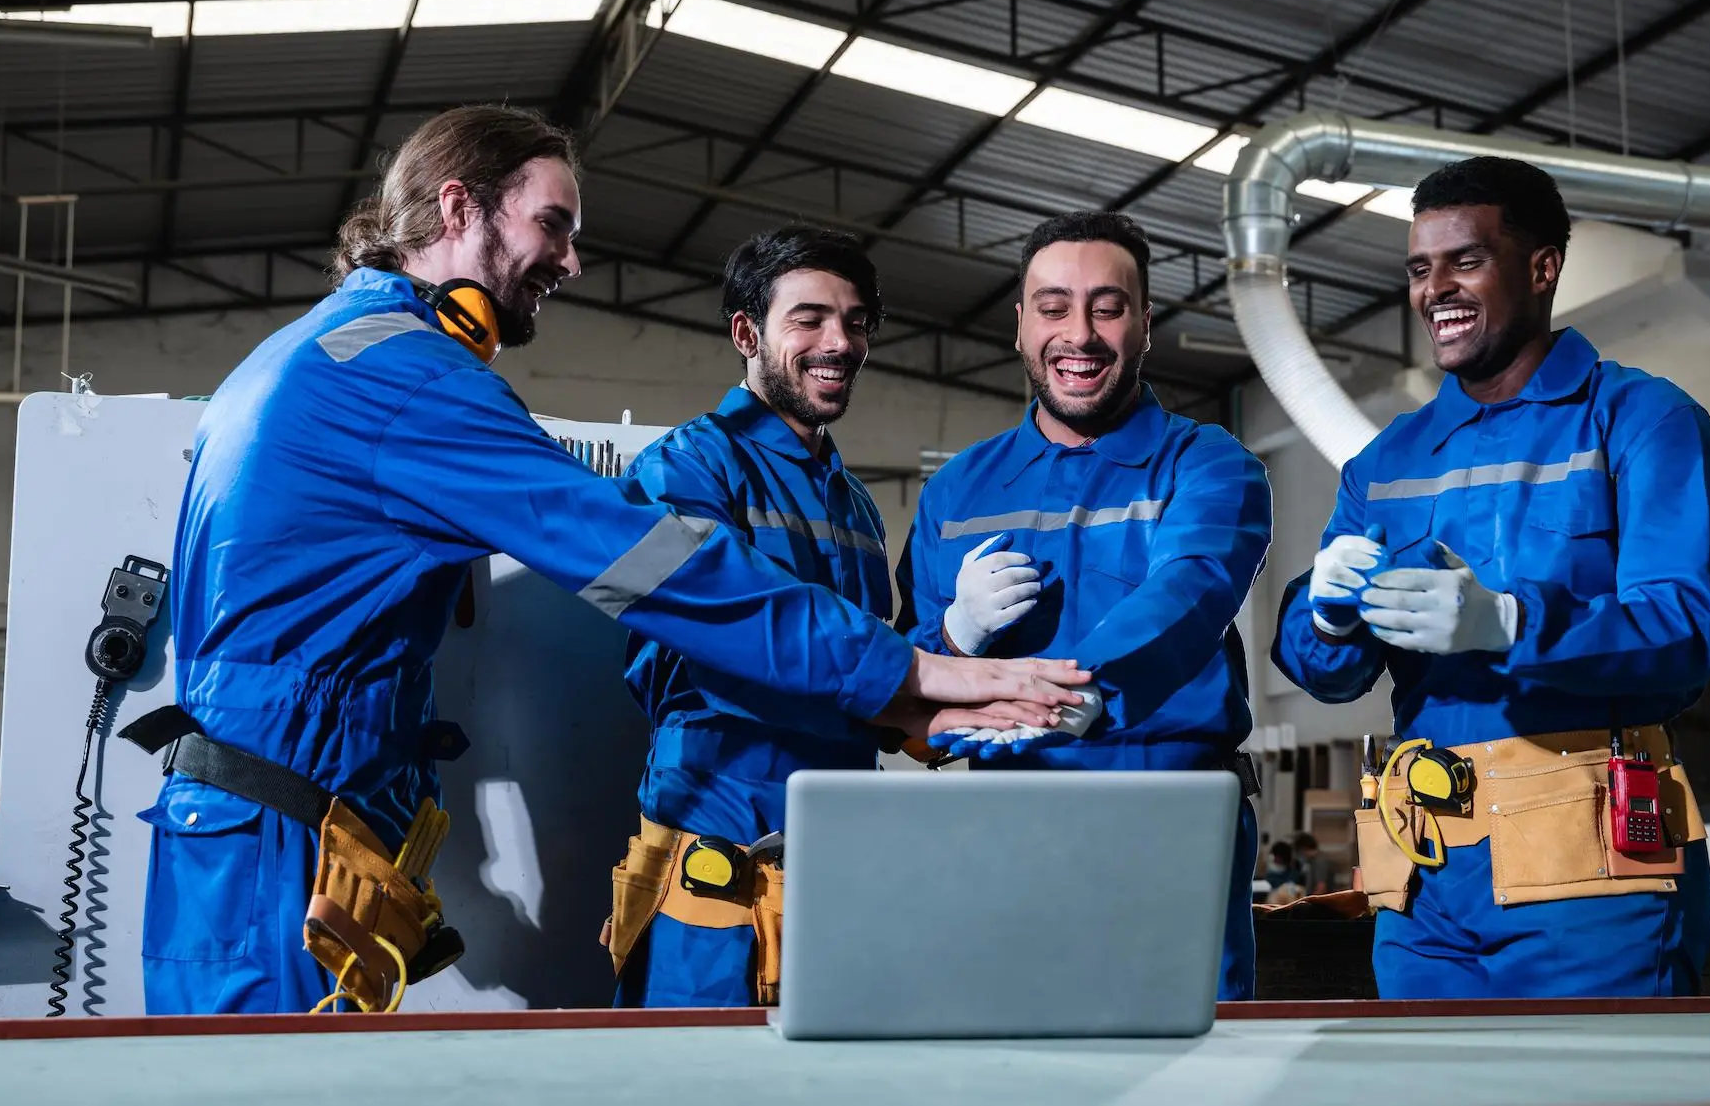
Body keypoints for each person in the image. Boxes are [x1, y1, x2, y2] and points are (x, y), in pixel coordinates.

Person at [130, 105, 1087, 1016]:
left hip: (268, 833)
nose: (573, 260)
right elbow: (654, 566)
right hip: (280, 841)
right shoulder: (408, 380)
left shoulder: (322, 349)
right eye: (552, 223)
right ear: (459, 205)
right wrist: (911, 666)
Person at [1270, 156, 1710, 1000]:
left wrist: (1513, 623)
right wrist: (1327, 617)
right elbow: (1327, 674)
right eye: (1420, 268)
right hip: (1424, 876)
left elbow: (1680, 634)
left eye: (1466, 260)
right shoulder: (1386, 462)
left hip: (1588, 869)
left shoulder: (1643, 422)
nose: (1436, 288)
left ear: (1542, 266)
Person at [897, 210, 1273, 1002]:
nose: (1080, 333)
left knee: (1189, 1069)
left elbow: (1193, 582)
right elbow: (913, 677)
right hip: (1005, 829)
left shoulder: (1207, 463)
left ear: (1144, 325)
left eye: (1108, 306)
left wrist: (1080, 686)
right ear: (1021, 325)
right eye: (1054, 306)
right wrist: (957, 638)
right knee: (1019, 1066)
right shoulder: (957, 490)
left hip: (1172, 821)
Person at [607, 226, 928, 1007]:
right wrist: (915, 680)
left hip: (838, 849)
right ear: (747, 333)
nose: (840, 342)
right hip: (719, 848)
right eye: (809, 319)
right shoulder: (687, 465)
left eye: (855, 322)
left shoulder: (852, 499)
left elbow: (869, 667)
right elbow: (724, 646)